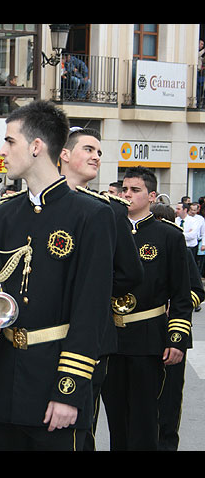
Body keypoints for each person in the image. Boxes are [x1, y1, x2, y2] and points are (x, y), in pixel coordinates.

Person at [0, 100, 116, 451]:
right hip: (5, 380)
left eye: (10, 141)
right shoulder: (3, 215)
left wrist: (69, 390)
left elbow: (91, 311)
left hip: (55, 384)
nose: (2, 151)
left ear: (37, 147)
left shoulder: (91, 215)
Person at [59, 126, 144, 451]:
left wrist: (89, 289)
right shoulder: (36, 206)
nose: (96, 156)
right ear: (63, 154)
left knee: (80, 427)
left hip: (90, 333)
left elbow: (130, 272)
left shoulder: (109, 209)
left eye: (99, 152)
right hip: (41, 332)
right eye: (89, 150)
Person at [101, 166, 193, 451]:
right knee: (115, 418)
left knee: (144, 418)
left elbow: (181, 295)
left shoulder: (168, 236)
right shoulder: (106, 233)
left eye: (135, 190)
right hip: (111, 339)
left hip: (147, 337)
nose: (127, 195)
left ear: (152, 196)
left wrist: (176, 339)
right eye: (125, 189)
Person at [150, 203, 205, 450]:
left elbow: (197, 291)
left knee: (170, 399)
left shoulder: (178, 246)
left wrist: (176, 305)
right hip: (146, 332)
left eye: (164, 221)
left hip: (174, 331)